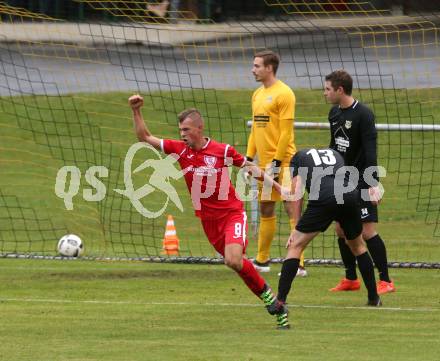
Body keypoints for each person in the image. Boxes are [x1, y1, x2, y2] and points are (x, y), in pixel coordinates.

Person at [128, 94, 288, 329]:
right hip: (208, 221)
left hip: (232, 214)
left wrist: (277, 187)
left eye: (186, 129)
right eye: (180, 129)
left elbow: (249, 167)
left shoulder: (222, 151)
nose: (182, 134)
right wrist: (136, 110)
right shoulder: (179, 150)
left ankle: (269, 299)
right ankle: (273, 302)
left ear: (199, 128)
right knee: (235, 263)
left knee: (234, 259)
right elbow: (144, 136)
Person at [273, 148, 382, 328]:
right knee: (358, 246)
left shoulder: (297, 158)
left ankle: (281, 300)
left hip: (324, 196)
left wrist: (296, 226)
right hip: (349, 195)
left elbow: (297, 195)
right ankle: (374, 298)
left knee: (295, 247)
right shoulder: (335, 154)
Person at [324, 70, 395, 294]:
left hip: (362, 178)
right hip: (341, 179)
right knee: (340, 229)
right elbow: (334, 145)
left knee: (366, 231)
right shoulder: (334, 113)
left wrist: (373, 183)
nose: (325, 93)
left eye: (327, 89)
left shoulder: (364, 114)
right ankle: (351, 279)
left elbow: (371, 150)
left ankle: (386, 281)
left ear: (340, 90)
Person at [246, 49, 306, 276]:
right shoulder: (256, 94)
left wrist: (278, 162)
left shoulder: (285, 94)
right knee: (266, 208)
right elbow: (255, 129)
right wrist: (249, 158)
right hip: (265, 164)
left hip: (287, 162)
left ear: (269, 68)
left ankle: (298, 263)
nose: (253, 70)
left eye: (257, 66)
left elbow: (285, 133)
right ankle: (262, 260)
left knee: (292, 209)